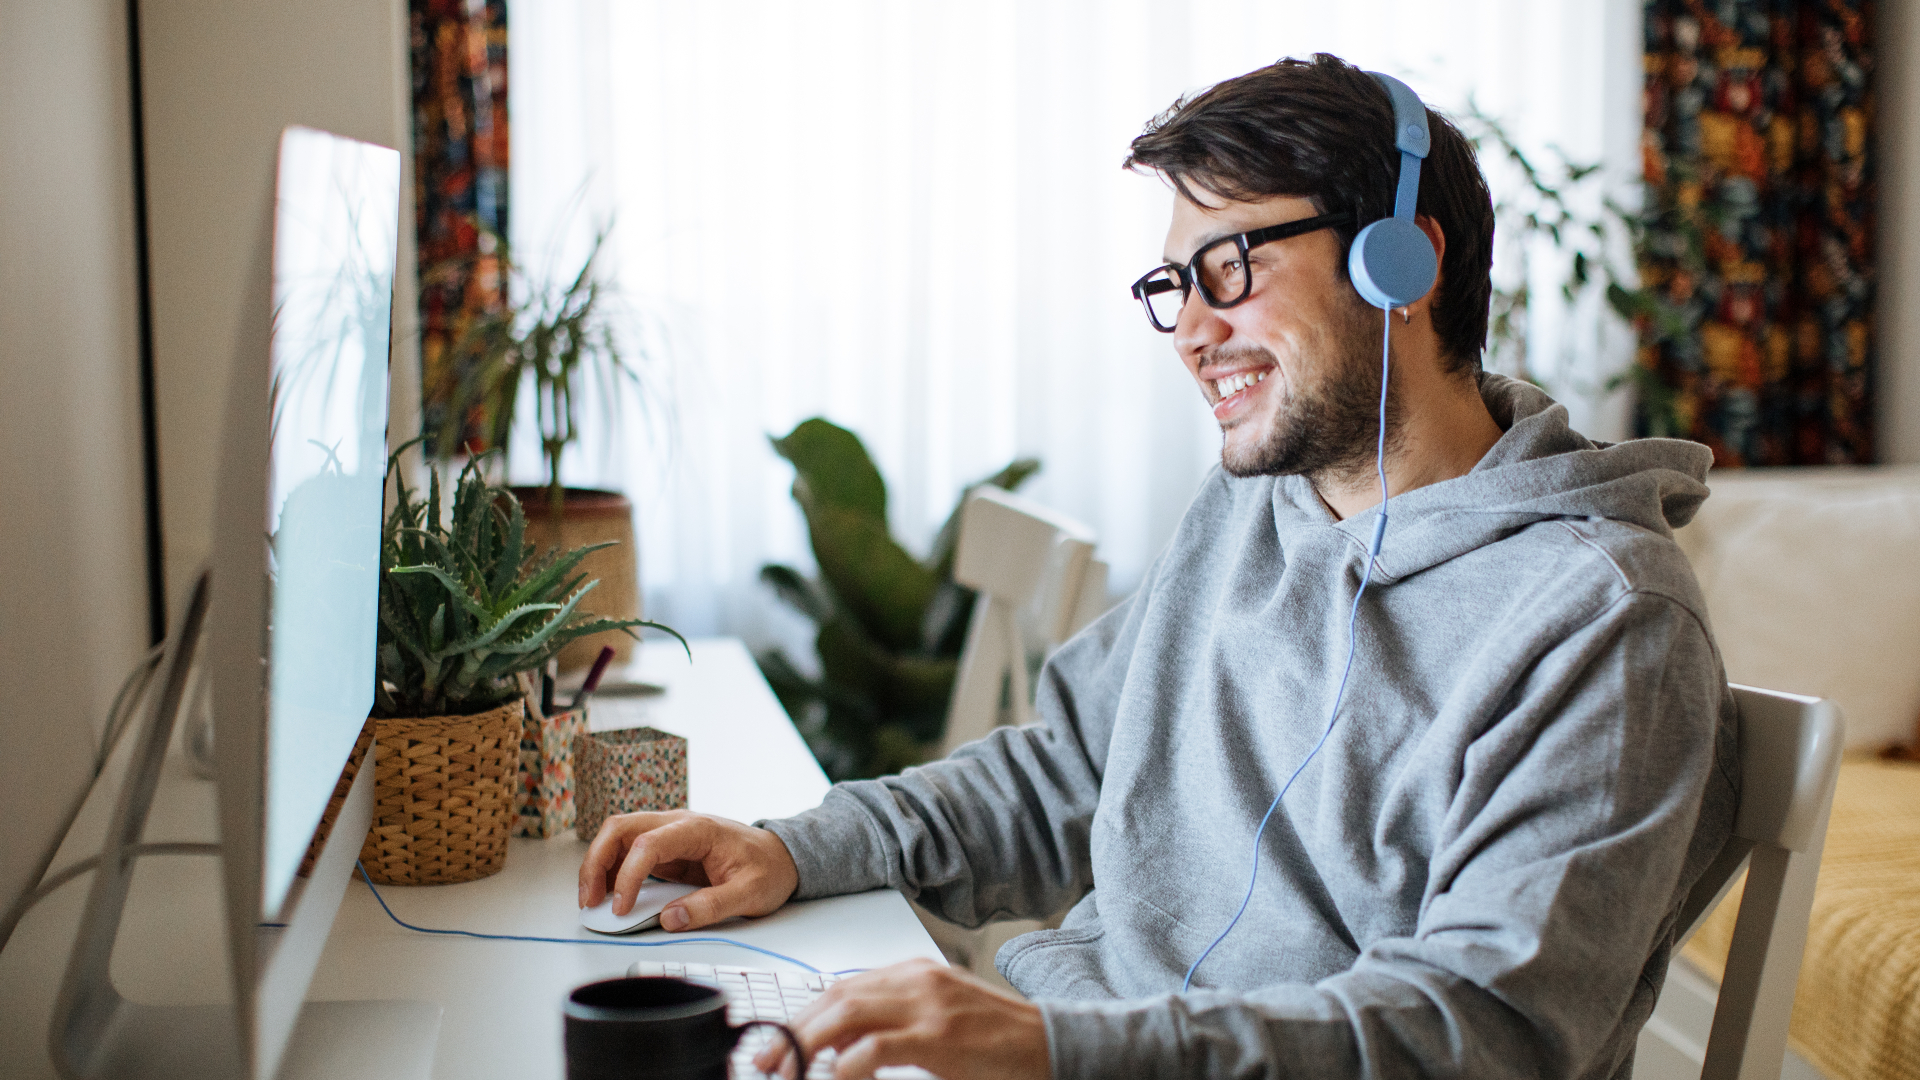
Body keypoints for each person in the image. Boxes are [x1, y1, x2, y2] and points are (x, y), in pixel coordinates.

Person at [579, 53, 1737, 1080]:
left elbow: (1486, 1032)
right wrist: (795, 848)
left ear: (1404, 262)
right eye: (1174, 285)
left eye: (1231, 266)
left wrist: (1059, 1048)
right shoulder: (1249, 515)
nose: (1189, 330)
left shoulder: (1601, 622)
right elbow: (1068, 772)